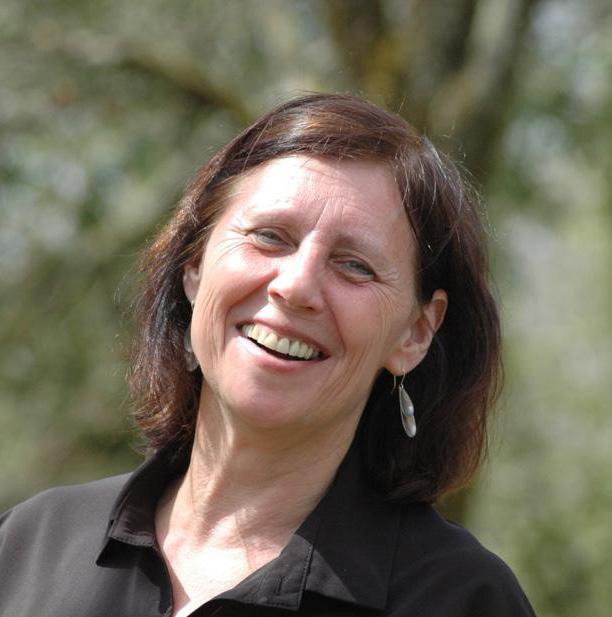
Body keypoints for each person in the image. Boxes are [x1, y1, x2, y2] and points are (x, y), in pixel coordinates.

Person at [0, 94, 537, 616]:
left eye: (354, 266)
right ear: (195, 265)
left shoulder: (461, 599)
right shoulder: (29, 546)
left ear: (415, 334)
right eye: (270, 237)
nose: (296, 286)